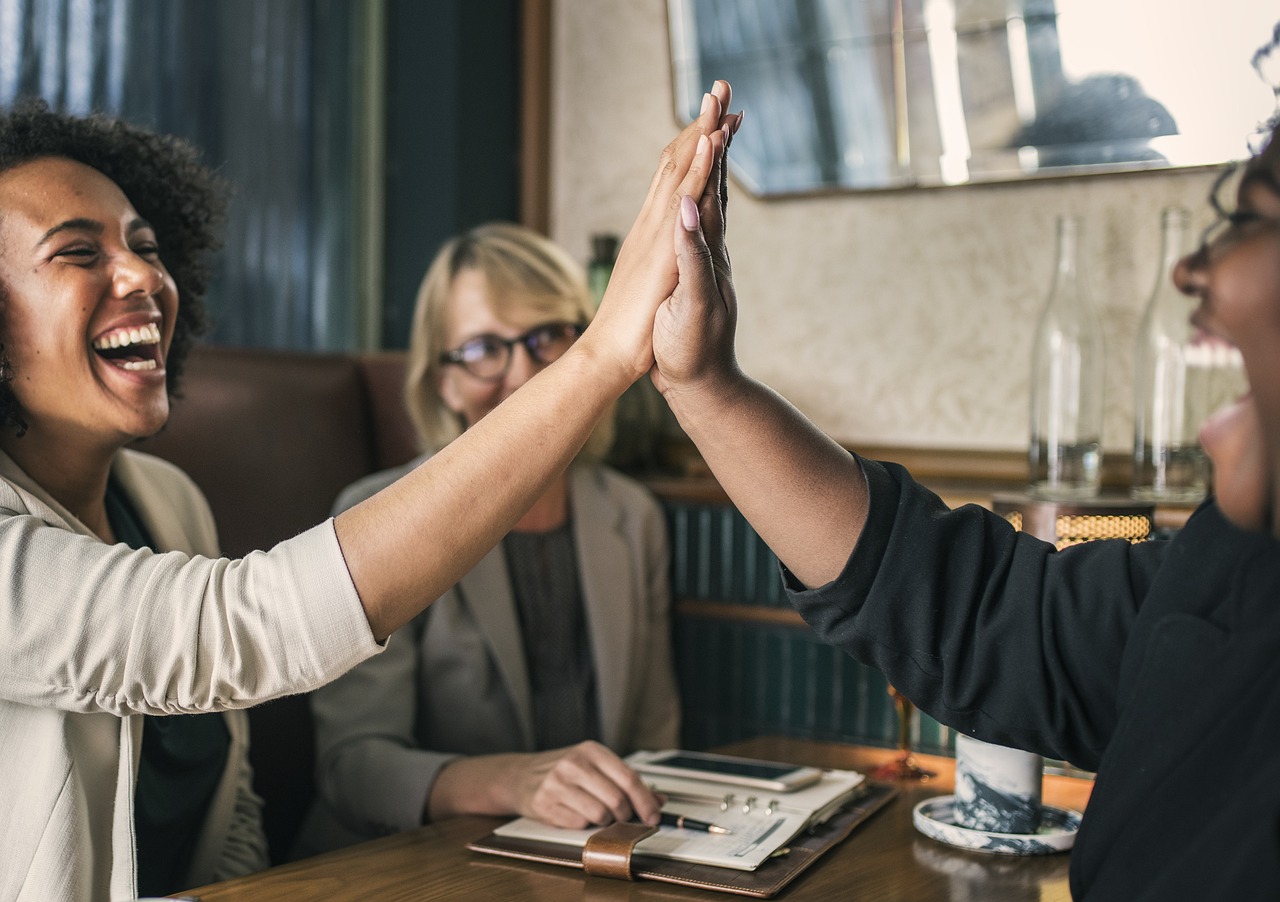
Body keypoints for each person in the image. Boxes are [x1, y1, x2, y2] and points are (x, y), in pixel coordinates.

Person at [0, 81, 736, 902]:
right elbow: (245, 630)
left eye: (146, 244)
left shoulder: (170, 501)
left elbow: (230, 807)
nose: (141, 272)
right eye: (77, 251)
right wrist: (602, 355)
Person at [651, 84, 1280, 899]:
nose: (1195, 269)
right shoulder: (1241, 569)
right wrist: (703, 385)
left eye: (1255, 220)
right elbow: (995, 621)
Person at [292, 222, 680, 855]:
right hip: (413, 865)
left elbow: (657, 740)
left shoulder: (633, 517)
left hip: (586, 859)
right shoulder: (371, 514)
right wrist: (510, 784)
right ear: (442, 381)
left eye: (546, 336)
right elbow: (352, 770)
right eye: (481, 349)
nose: (524, 373)